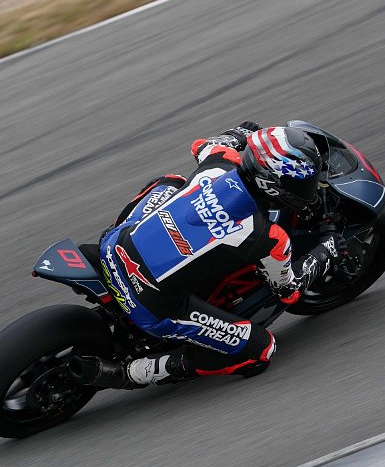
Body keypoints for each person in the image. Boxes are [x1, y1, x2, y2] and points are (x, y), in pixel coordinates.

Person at [73, 122, 346, 389]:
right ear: (275, 186)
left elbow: (201, 145)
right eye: (303, 183)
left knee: (170, 182)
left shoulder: (219, 160)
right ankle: (130, 373)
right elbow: (289, 289)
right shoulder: (269, 237)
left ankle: (124, 236)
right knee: (261, 350)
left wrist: (243, 132)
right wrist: (328, 249)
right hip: (150, 307)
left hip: (112, 248)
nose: (308, 189)